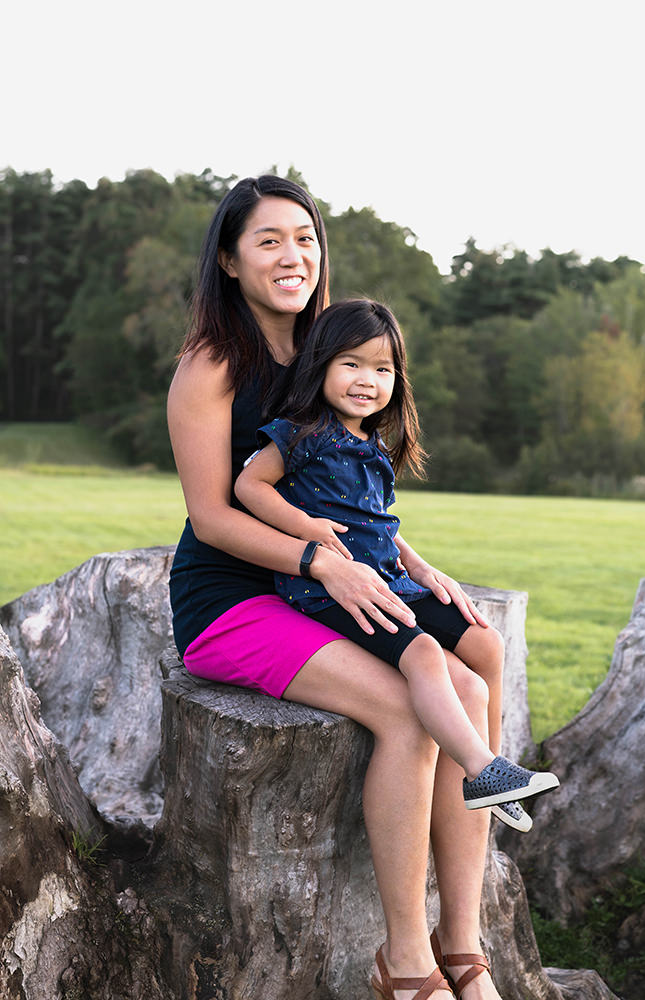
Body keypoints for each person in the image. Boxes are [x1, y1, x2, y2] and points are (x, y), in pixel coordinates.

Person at [167, 174, 516, 1000]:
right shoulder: (211, 365)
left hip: (330, 580)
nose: (293, 255)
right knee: (404, 708)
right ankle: (405, 965)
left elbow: (341, 494)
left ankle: (462, 944)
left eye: (305, 238)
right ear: (228, 260)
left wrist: (413, 561)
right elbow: (213, 516)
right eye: (268, 240)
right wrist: (321, 562)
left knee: (471, 673)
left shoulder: (324, 351)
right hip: (236, 601)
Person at [235, 298, 559, 820]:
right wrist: (306, 529)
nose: (367, 380)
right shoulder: (301, 432)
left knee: (486, 643)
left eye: (382, 369)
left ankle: (497, 775)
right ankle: (482, 769)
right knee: (426, 655)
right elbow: (249, 485)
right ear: (320, 365)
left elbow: (380, 527)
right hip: (329, 590)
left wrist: (418, 564)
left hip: (389, 580)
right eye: (352, 364)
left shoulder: (375, 445)